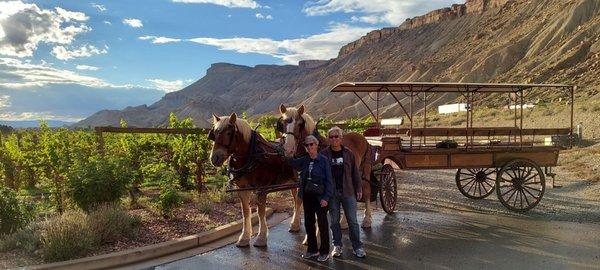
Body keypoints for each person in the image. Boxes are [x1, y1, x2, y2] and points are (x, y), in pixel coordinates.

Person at [321, 126, 366, 258]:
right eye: (331, 137)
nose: (334, 139)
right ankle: (337, 245)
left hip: (348, 192)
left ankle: (357, 246)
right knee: (334, 221)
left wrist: (358, 188)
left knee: (352, 221)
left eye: (336, 136)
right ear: (329, 139)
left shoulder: (348, 153)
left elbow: (355, 173)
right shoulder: (324, 154)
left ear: (341, 138)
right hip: (332, 194)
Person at [288, 135, 333, 262]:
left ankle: (324, 251)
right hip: (307, 196)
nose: (309, 147)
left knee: (322, 224)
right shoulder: (305, 160)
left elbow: (330, 181)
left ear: (316, 145)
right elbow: (292, 162)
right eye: (306, 145)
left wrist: (326, 198)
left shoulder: (324, 160)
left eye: (311, 144)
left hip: (320, 197)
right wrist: (288, 152)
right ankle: (312, 250)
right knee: (309, 223)